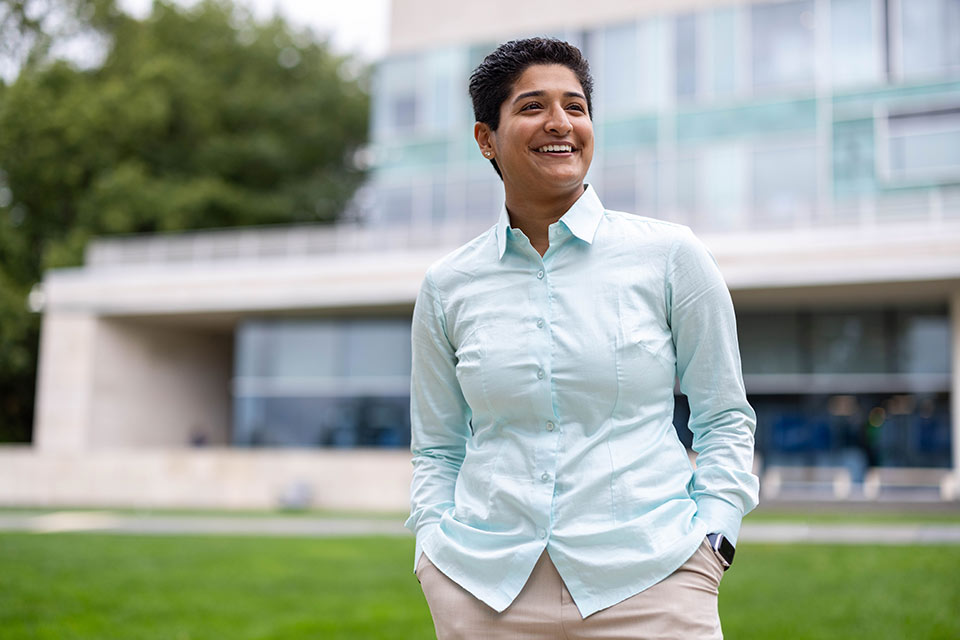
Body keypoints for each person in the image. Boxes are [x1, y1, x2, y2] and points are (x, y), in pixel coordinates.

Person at [405, 37, 759, 639]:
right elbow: (438, 448)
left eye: (575, 106)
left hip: (656, 581)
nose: (560, 123)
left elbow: (724, 415)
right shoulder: (448, 286)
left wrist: (714, 538)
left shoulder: (671, 255)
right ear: (486, 138)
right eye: (532, 106)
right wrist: (432, 550)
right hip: (485, 591)